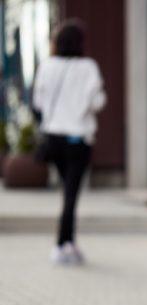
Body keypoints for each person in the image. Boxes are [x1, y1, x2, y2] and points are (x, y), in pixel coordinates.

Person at [33, 19, 106, 265]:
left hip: (54, 138)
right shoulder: (88, 67)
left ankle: (69, 243)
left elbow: (39, 103)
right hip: (77, 138)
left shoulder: (46, 67)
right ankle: (62, 244)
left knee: (68, 192)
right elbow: (97, 102)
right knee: (71, 195)